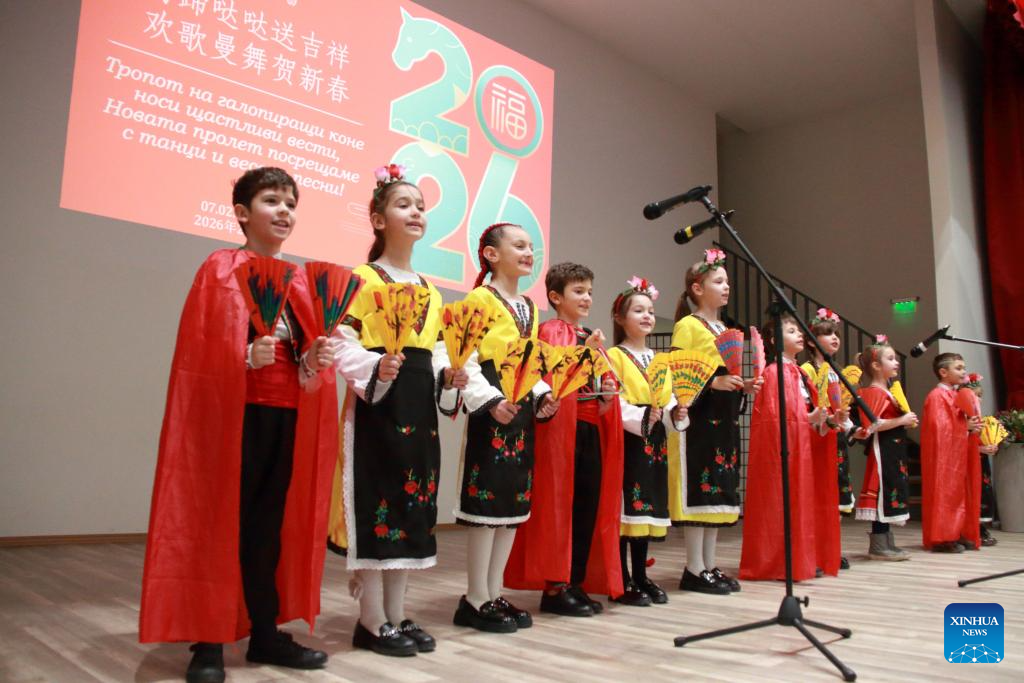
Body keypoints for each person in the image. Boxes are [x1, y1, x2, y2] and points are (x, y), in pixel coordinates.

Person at [139, 167, 337, 683]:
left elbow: (304, 360)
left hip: (285, 417)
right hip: (233, 417)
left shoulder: (298, 280)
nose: (284, 210)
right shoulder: (221, 268)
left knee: (267, 527)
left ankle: (264, 633)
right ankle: (208, 639)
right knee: (221, 521)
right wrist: (245, 357)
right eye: (272, 200)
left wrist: (312, 359)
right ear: (243, 213)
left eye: (291, 202)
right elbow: (201, 347)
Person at [328, 164, 466, 656]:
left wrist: (449, 374)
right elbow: (340, 339)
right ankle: (370, 620)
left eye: (421, 206)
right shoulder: (362, 279)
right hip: (378, 405)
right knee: (378, 503)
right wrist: (375, 367)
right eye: (403, 204)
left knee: (412, 504)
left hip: (418, 407)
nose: (416, 213)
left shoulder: (430, 289)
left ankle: (397, 613)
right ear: (377, 219)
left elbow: (439, 348)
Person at [453, 222, 559, 633]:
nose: (529, 252)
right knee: (486, 507)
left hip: (521, 412)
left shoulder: (530, 306)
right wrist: (490, 400)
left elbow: (530, 361)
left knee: (512, 508)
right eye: (519, 245)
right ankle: (474, 597)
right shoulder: (479, 298)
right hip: (493, 410)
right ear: (491, 255)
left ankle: (493, 592)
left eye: (531, 246)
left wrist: (543, 393)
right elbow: (467, 357)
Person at [504, 263, 624, 617]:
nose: (587, 298)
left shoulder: (589, 336)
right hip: (562, 431)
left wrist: (607, 393)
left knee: (587, 506)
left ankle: (575, 581)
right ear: (556, 297)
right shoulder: (551, 331)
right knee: (561, 506)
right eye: (578, 291)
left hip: (589, 428)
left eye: (589, 292)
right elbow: (551, 380)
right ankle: (555, 586)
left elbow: (600, 387)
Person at [668, 248, 761, 594]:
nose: (726, 287)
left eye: (727, 282)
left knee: (719, 487)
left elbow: (724, 373)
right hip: (699, 419)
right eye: (718, 281)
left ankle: (709, 563)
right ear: (697, 288)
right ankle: (693, 567)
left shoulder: (723, 327)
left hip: (723, 418)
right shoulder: (688, 326)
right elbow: (679, 372)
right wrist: (713, 382)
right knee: (701, 487)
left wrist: (742, 384)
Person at [606, 277, 687, 605]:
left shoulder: (659, 359)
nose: (647, 316)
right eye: (638, 310)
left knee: (647, 511)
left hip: (654, 443)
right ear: (620, 318)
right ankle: (623, 578)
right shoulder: (613, 356)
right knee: (627, 511)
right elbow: (614, 402)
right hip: (628, 442)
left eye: (650, 311)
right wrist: (642, 416)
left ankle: (640, 575)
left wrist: (676, 412)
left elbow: (667, 400)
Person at [740, 313, 822, 581]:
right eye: (791, 331)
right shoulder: (774, 372)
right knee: (781, 501)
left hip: (801, 444)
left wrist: (821, 419)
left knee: (798, 501)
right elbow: (776, 418)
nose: (799, 335)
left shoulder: (798, 372)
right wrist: (809, 418)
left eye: (799, 331)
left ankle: (799, 558)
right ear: (775, 339)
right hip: (783, 448)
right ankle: (779, 561)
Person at [853, 336, 915, 560]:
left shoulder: (887, 391)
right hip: (882, 451)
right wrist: (902, 420)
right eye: (890, 358)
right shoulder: (872, 392)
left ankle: (886, 541)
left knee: (889, 493)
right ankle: (879, 544)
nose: (896, 362)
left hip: (893, 451)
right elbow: (871, 426)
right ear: (876, 365)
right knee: (882, 493)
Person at [920, 353, 981, 553]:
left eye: (963, 367)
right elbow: (939, 427)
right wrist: (964, 426)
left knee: (958, 493)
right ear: (943, 372)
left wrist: (971, 426)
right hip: (943, 457)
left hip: (957, 454)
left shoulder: (956, 394)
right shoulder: (937, 396)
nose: (963, 372)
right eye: (958, 368)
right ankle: (942, 537)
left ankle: (957, 532)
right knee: (945, 494)